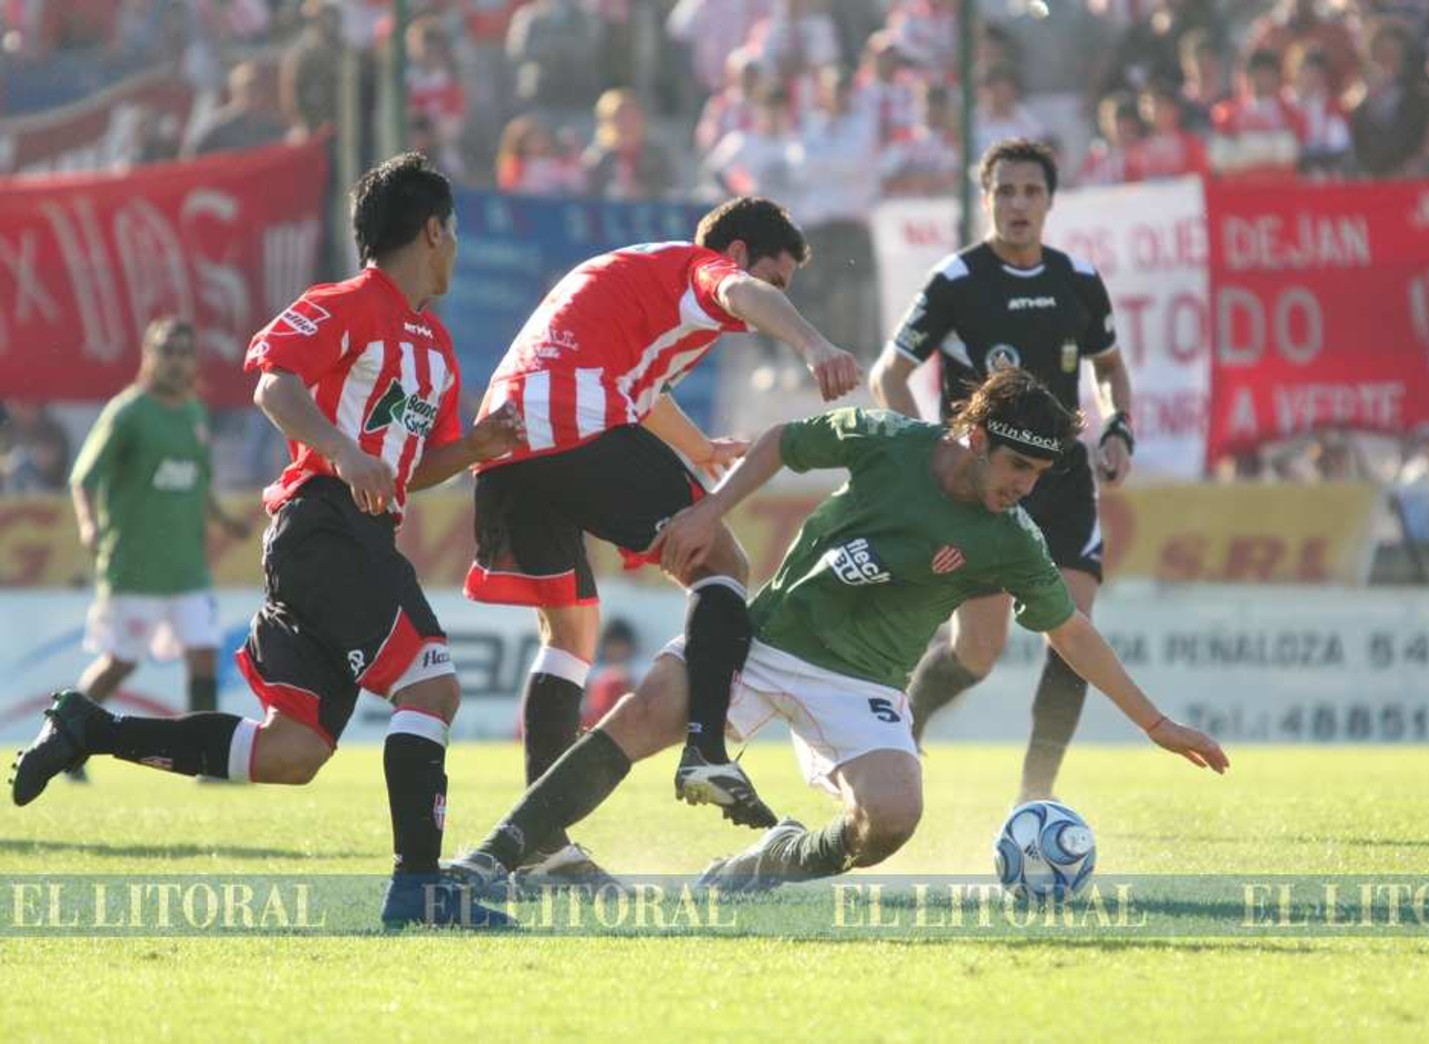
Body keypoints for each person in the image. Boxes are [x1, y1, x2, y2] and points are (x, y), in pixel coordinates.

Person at [446, 369, 1226, 891]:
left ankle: (776, 860)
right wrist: (712, 508)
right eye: (1016, 470)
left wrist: (1154, 722)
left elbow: (1073, 633)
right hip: (766, 640)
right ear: (977, 438)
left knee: (892, 819)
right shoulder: (891, 444)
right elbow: (784, 440)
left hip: (862, 685)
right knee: (643, 711)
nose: (1021, 491)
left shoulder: (1010, 538)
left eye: (1034, 478)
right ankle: (494, 857)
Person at [10, 153, 522, 929]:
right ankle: (419, 890)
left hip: (347, 534)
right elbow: (273, 382)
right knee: (434, 688)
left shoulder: (436, 350)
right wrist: (343, 453)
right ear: (430, 231)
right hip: (325, 528)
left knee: (293, 754)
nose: (454, 246)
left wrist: (477, 448)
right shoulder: (349, 303)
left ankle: (91, 727)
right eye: (450, 231)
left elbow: (405, 474)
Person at [462, 196, 860, 873]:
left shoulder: (642, 280)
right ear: (736, 253)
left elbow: (641, 391)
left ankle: (542, 849)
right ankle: (704, 747)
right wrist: (813, 343)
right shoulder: (703, 271)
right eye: (776, 279)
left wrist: (699, 448)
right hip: (572, 415)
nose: (772, 298)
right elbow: (735, 290)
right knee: (720, 559)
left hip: (506, 439)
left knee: (569, 636)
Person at [868, 138, 1135, 806]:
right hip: (982, 489)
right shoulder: (956, 282)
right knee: (977, 654)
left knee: (1073, 633)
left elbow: (1109, 367)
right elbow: (887, 375)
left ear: (1049, 200)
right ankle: (910, 718)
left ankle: (1034, 796)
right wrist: (930, 453)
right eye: (1004, 191)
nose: (1017, 204)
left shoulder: (1076, 280)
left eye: (1031, 191)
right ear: (986, 198)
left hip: (1064, 482)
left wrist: (1118, 425)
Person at [57, 317, 250, 787]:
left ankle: (207, 762)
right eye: (167, 350)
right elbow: (84, 476)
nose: (176, 359)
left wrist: (224, 520)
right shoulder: (128, 413)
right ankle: (62, 738)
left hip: (187, 568)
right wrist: (88, 524)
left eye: (185, 351)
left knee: (204, 653)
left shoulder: (194, 415)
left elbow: (199, 483)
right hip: (136, 567)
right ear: (149, 354)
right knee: (121, 661)